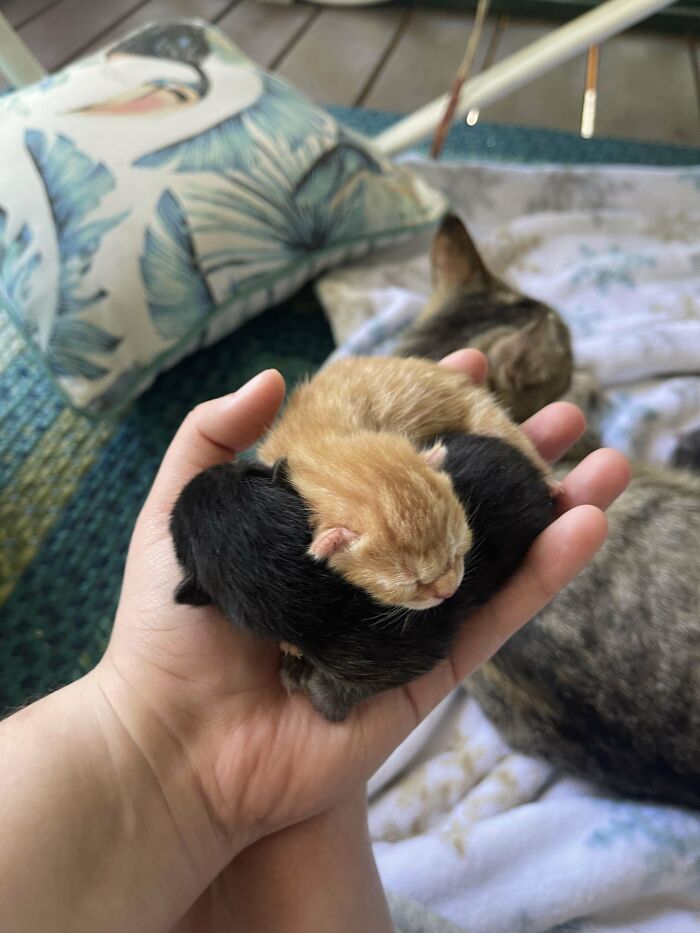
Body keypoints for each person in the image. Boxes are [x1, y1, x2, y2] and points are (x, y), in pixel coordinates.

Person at [0, 350, 630, 933]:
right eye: (419, 580)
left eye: (456, 553)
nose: (446, 589)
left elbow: (465, 410)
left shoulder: (382, 481)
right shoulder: (303, 519)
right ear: (327, 545)